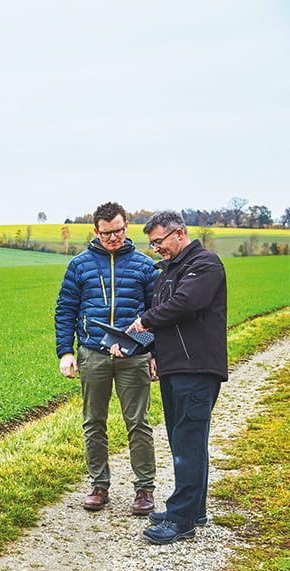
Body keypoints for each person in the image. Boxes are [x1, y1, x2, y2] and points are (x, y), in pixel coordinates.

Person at [119, 211, 228, 544]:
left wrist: (144, 321)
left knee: (189, 445)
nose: (156, 250)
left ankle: (181, 520)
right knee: (183, 441)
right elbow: (168, 321)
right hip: (174, 366)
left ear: (179, 233)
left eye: (159, 242)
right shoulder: (169, 271)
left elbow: (186, 304)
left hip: (196, 368)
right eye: (151, 244)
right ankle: (192, 510)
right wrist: (143, 349)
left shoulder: (204, 264)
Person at [55, 202, 159, 515]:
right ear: (96, 231)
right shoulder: (80, 265)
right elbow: (65, 310)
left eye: (117, 231)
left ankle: (144, 490)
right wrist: (66, 352)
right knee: (93, 422)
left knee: (138, 423)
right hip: (92, 354)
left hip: (134, 356)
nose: (112, 238)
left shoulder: (144, 265)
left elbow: (156, 315)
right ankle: (99, 486)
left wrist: (150, 351)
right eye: (105, 233)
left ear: (126, 228)